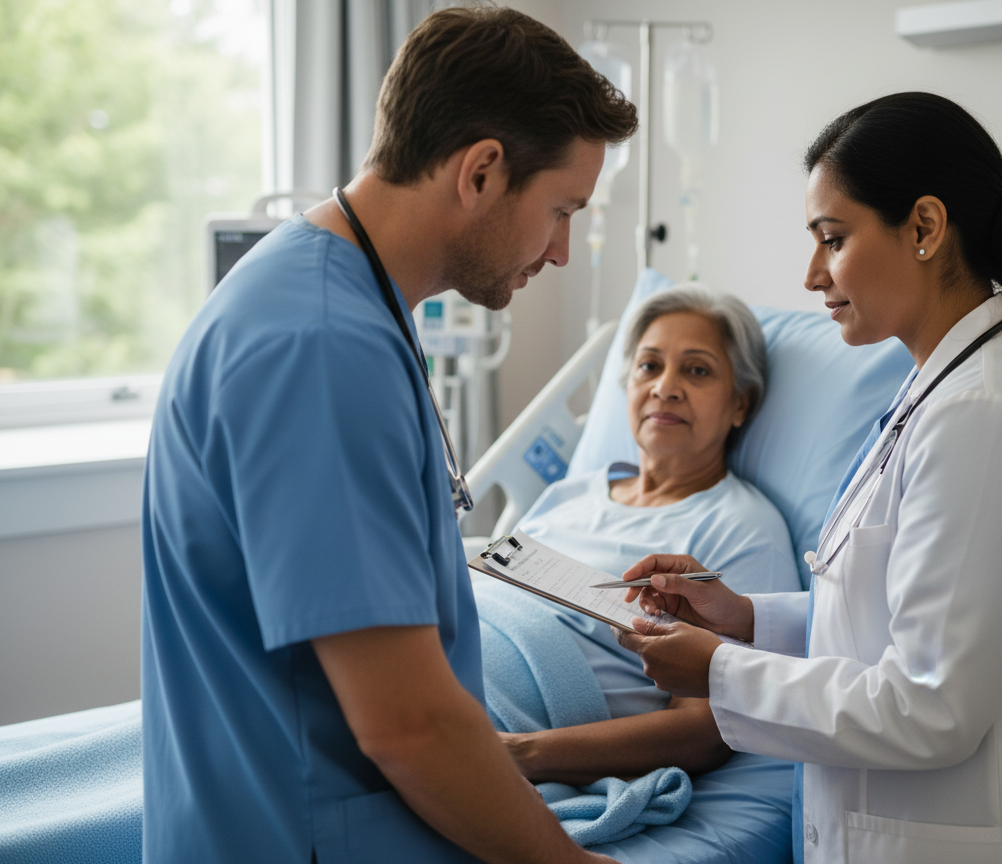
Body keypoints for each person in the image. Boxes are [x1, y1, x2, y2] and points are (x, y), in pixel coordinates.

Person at [140, 8, 636, 864]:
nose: (561, 252)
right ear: (481, 171)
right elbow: (408, 727)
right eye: (561, 209)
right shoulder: (323, 346)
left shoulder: (331, 298)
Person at [616, 92, 1002, 863]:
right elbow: (890, 612)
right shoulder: (940, 388)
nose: (813, 273)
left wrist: (720, 670)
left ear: (923, 227)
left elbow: (932, 706)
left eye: (833, 238)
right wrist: (746, 618)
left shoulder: (986, 415)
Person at [488, 286, 799, 786]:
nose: (665, 387)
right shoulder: (568, 494)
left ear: (741, 403)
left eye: (696, 370)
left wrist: (521, 754)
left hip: (509, 709)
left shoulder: (741, 528)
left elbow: (704, 728)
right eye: (649, 366)